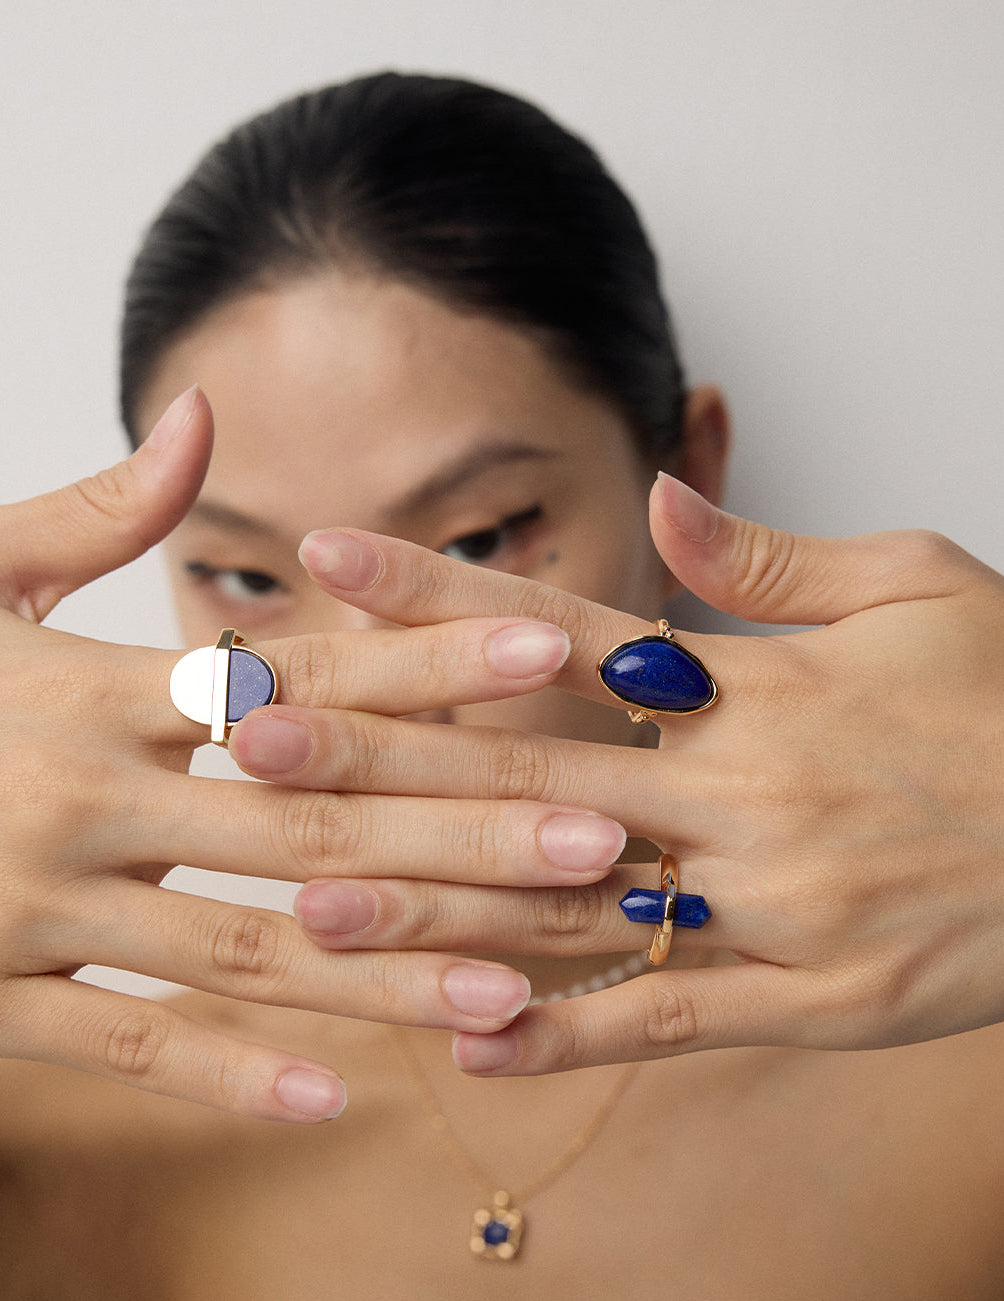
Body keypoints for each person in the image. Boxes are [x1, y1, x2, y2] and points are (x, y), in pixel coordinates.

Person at [1, 72, 1001, 1298]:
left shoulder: (965, 1054)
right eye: (240, 576)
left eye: (476, 541)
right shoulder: (56, 1126)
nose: (359, 694)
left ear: (685, 473)